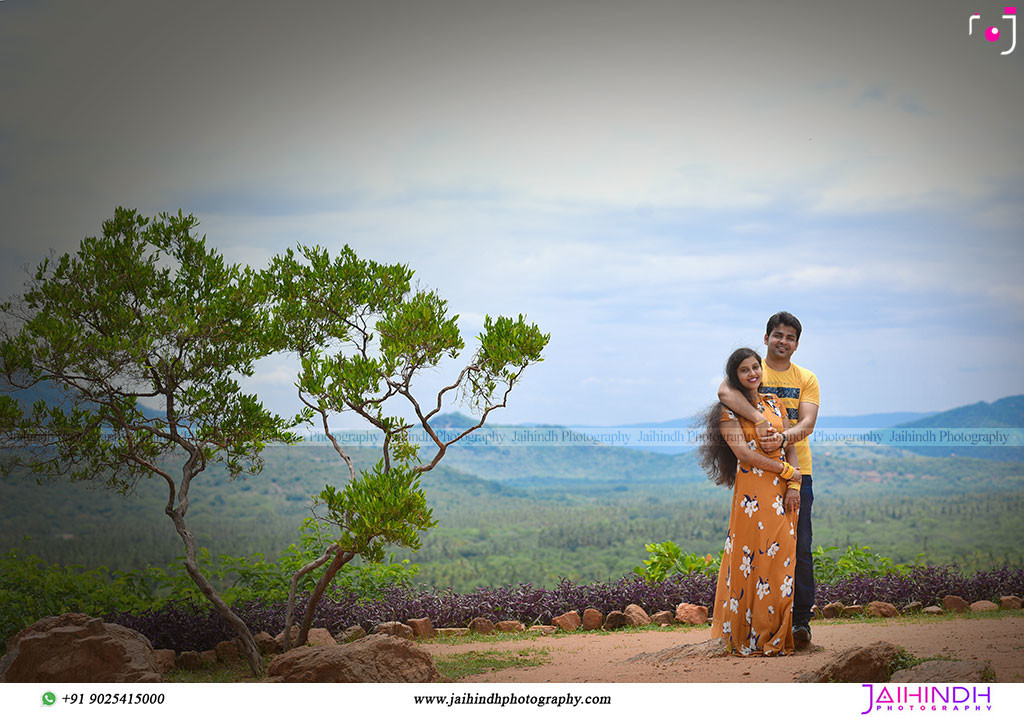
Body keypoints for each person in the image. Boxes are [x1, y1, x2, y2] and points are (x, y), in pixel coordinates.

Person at [717, 312, 819, 648]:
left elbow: (806, 423)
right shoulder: (750, 368)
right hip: (757, 482)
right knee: (754, 553)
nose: (783, 341)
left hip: (795, 471)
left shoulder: (806, 378)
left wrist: (785, 448)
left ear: (797, 344)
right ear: (766, 338)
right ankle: (752, 627)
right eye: (778, 335)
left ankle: (798, 623)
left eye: (790, 337)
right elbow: (724, 393)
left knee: (798, 549)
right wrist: (761, 420)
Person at [700, 347, 802, 656]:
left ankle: (778, 635)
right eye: (745, 370)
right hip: (752, 498)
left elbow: (791, 444)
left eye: (755, 367)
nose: (752, 373)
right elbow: (743, 454)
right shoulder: (726, 412)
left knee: (782, 562)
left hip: (783, 491)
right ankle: (751, 636)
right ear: (736, 376)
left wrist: (794, 481)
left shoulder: (775, 404)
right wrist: (783, 468)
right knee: (754, 562)